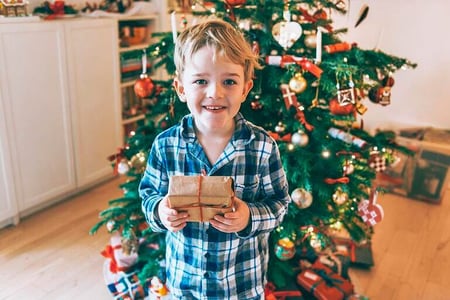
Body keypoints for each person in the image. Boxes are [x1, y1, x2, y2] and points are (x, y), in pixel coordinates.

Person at [139, 19, 291, 300]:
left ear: (245, 89)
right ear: (181, 88)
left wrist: (249, 216)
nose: (215, 93)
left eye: (229, 81)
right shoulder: (165, 146)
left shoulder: (262, 147)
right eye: (200, 81)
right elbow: (148, 196)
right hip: (185, 285)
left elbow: (280, 205)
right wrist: (160, 211)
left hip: (242, 285)